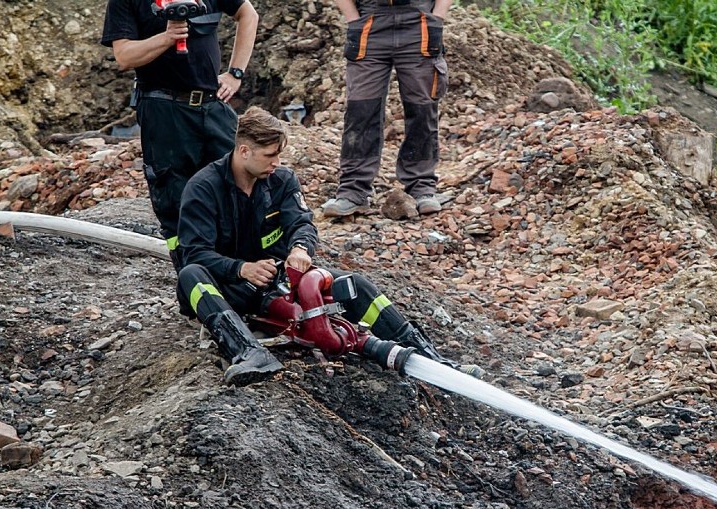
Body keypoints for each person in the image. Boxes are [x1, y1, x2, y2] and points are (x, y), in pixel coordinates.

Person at [177, 106, 474, 386]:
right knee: (191, 276)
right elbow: (196, 253)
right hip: (231, 285)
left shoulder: (281, 180)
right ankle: (248, 353)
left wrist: (300, 250)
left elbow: (302, 223)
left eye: (279, 155)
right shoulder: (203, 188)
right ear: (244, 151)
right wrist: (241, 269)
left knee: (355, 285)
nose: (276, 163)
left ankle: (427, 355)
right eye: (269, 155)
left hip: (279, 277)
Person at [101, 0, 258, 270]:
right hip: (163, 109)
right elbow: (124, 56)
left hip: (212, 105)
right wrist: (168, 36)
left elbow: (248, 14)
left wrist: (235, 73)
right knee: (175, 200)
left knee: (242, 183)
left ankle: (245, 274)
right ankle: (194, 280)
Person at [322, 0, 451, 218]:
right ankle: (353, 190)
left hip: (418, 21)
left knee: (422, 108)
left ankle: (421, 186)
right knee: (361, 110)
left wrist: (437, 16)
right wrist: (353, 18)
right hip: (370, 22)